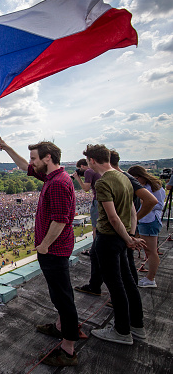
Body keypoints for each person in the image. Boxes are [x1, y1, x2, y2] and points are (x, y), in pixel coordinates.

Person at [0, 138, 78, 367]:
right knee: (59, 294)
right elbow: (24, 166)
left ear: (47, 158)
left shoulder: (59, 183)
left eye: (35, 158)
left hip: (54, 249)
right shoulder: (52, 176)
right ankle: (61, 327)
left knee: (63, 297)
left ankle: (68, 349)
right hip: (54, 248)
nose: (32, 162)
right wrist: (8, 148)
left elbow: (60, 220)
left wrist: (44, 245)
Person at [84, 144, 146, 345]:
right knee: (129, 282)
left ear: (93, 160)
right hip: (122, 236)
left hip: (109, 238)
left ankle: (121, 331)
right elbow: (132, 211)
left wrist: (128, 239)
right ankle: (137, 326)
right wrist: (129, 235)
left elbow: (112, 217)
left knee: (116, 285)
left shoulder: (103, 182)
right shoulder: (124, 177)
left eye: (87, 161)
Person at [75, 150, 157, 294]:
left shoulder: (122, 178)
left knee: (122, 271)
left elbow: (151, 200)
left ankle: (125, 298)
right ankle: (98, 286)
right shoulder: (123, 177)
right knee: (106, 259)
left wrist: (133, 226)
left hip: (118, 230)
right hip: (122, 228)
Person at [127, 165, 166, 288]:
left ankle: (150, 279)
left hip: (150, 221)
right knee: (147, 250)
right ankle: (150, 277)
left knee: (151, 251)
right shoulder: (146, 186)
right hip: (144, 220)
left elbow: (159, 205)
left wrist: (144, 200)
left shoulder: (155, 187)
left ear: (140, 177)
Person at [71, 158, 102, 296]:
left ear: (83, 166)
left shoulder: (89, 171)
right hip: (101, 201)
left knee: (95, 228)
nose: (80, 172)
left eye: (79, 169)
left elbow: (86, 189)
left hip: (98, 202)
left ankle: (95, 246)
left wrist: (78, 178)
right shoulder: (97, 171)